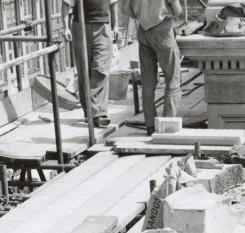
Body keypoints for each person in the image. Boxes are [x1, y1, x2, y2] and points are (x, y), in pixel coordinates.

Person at [122, 0, 182, 134]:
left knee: (148, 81)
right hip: (163, 29)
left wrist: (142, 17)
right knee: (173, 78)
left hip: (143, 30)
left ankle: (150, 125)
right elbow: (178, 11)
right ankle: (167, 125)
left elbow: (125, 9)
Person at [62, 0, 119, 128]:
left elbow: (113, 3)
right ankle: (90, 113)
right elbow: (66, 4)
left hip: (103, 26)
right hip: (80, 25)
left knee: (101, 68)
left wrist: (115, 26)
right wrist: (65, 27)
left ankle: (98, 112)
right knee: (84, 70)